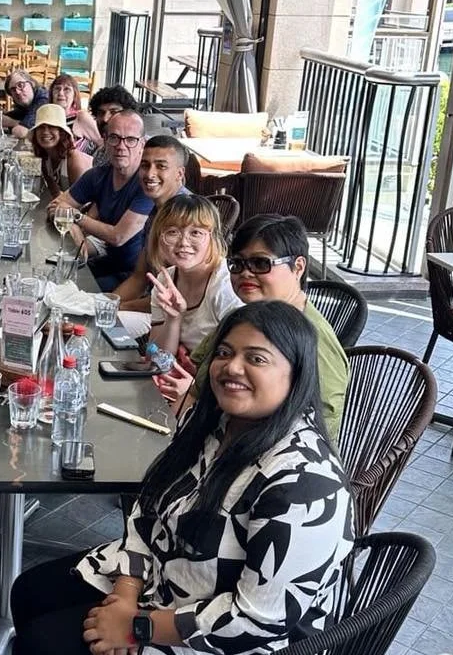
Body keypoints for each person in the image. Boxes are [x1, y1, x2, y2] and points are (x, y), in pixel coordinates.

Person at [0, 299, 353, 655]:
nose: (232, 368)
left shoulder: (303, 484)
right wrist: (125, 596)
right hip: (176, 583)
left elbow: (257, 621)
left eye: (256, 358)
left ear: (296, 374)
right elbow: (149, 510)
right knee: (31, 591)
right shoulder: (219, 426)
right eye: (225, 353)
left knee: (40, 647)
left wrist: (137, 628)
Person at [154, 213, 349, 442]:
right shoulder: (243, 318)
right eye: (237, 264)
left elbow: (320, 434)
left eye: (260, 263)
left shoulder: (316, 342)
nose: (245, 273)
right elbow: (193, 378)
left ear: (298, 267)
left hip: (258, 454)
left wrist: (203, 401)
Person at [117, 194, 242, 366]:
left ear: (212, 237)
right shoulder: (165, 279)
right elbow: (157, 357)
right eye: (172, 232)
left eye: (196, 233)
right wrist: (173, 319)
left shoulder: (226, 284)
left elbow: (238, 359)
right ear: (159, 237)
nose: (183, 242)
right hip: (176, 372)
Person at [47, 108, 154, 290]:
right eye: (114, 138)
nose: (121, 146)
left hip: (137, 279)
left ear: (142, 144)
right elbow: (54, 206)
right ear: (104, 141)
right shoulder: (97, 175)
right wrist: (73, 227)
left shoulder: (147, 183)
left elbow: (118, 236)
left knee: (68, 291)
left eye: (130, 140)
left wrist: (76, 217)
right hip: (109, 262)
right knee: (52, 279)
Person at [112, 134, 191, 306]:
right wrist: (106, 304)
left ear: (179, 173)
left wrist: (117, 308)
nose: (150, 174)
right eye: (145, 165)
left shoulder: (185, 217)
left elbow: (177, 298)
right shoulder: (156, 211)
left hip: (177, 315)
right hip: (152, 302)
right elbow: (139, 278)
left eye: (161, 166)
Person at [29, 103, 92, 197]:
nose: (45, 132)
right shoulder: (45, 157)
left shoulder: (74, 161)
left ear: (61, 132)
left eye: (51, 126)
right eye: (41, 127)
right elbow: (54, 193)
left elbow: (83, 201)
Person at [87, 84, 141, 166]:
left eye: (113, 112)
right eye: (101, 113)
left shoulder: (144, 151)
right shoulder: (100, 154)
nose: (105, 119)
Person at [48, 73, 99, 152]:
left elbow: (102, 143)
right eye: (57, 88)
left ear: (74, 95)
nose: (61, 93)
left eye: (67, 89)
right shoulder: (47, 118)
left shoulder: (80, 117)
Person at [0, 70, 49, 138]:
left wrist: (11, 122)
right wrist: (2, 118)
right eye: (13, 89)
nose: (17, 92)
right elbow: (20, 113)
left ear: (32, 83)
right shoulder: (27, 102)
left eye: (20, 85)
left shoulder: (43, 100)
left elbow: (22, 131)